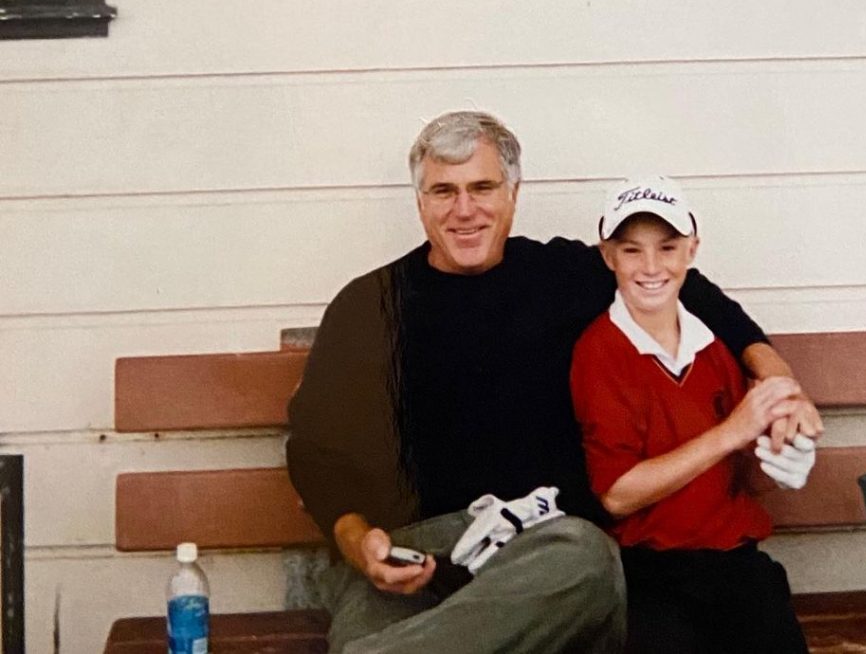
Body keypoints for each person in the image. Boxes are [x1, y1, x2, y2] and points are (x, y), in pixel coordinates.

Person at [287, 111, 822, 654]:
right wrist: (361, 546)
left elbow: (694, 292)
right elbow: (316, 457)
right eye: (443, 191)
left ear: (514, 194)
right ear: (420, 202)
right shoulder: (368, 307)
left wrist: (779, 380)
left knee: (585, 559)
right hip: (413, 560)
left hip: (539, 556)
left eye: (483, 187)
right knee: (373, 631)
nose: (464, 209)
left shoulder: (563, 275)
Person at [570, 175, 816, 653]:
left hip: (734, 559)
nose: (650, 267)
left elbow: (742, 475)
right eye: (631, 250)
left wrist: (783, 460)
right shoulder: (599, 352)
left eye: (667, 248)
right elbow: (617, 495)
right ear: (608, 256)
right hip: (649, 569)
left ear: (691, 251)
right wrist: (730, 433)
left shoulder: (718, 343)